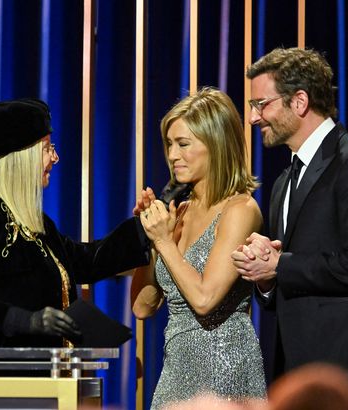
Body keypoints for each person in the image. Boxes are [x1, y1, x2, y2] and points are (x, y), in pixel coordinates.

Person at [230, 47, 348, 404]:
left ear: (300, 101)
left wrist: (280, 264)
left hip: (347, 377)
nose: (252, 118)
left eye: (261, 104)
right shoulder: (282, 182)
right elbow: (285, 277)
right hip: (294, 374)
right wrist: (264, 277)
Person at [0, 98, 149, 348]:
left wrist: (146, 226)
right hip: (3, 381)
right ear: (21, 157)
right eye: (47, 148)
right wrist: (27, 321)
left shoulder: (36, 223)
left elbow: (85, 261)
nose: (55, 158)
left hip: (46, 379)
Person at [130, 87, 266, 409]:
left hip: (225, 371)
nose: (172, 155)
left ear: (215, 145)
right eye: (169, 144)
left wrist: (165, 241)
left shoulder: (240, 209)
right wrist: (150, 237)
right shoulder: (180, 212)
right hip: (175, 373)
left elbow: (205, 299)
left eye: (183, 144)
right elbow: (142, 308)